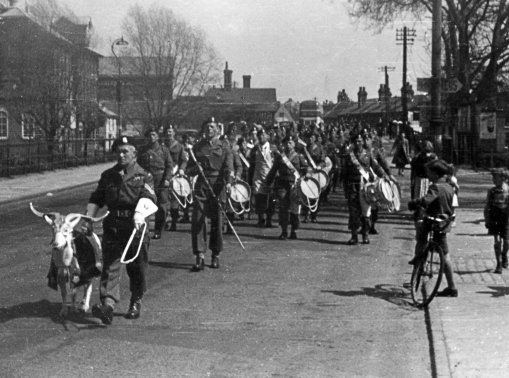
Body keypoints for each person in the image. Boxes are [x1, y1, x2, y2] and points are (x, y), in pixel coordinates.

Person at [85, 136, 157, 324]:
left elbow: (149, 197)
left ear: (135, 154)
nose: (121, 154)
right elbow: (97, 198)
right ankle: (107, 305)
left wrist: (140, 213)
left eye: (126, 151)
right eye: (119, 151)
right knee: (110, 266)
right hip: (113, 225)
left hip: (135, 227)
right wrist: (89, 218)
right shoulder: (108, 175)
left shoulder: (144, 175)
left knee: (137, 267)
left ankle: (135, 300)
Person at [187, 117, 234, 271]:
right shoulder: (197, 147)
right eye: (207, 127)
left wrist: (227, 182)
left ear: (218, 130)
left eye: (212, 127)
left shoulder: (225, 147)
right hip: (202, 186)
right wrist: (197, 168)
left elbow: (228, 168)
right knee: (198, 220)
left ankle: (215, 255)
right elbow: (189, 169)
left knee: (217, 222)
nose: (209, 130)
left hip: (218, 185)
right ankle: (200, 256)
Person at [408, 159, 457, 297]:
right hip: (444, 223)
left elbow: (426, 201)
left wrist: (414, 203)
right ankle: (452, 287)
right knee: (446, 256)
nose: (427, 175)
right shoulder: (449, 186)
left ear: (435, 174)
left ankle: (418, 257)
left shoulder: (435, 187)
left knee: (421, 235)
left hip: (433, 222)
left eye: (429, 173)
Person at [341, 132, 388, 245]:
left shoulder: (368, 154)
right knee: (353, 212)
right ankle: (354, 236)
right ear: (353, 142)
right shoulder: (349, 155)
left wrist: (384, 175)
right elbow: (344, 174)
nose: (358, 143)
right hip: (352, 185)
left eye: (360, 141)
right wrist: (345, 190)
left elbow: (375, 166)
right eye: (356, 141)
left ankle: (365, 235)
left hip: (365, 185)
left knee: (366, 211)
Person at [265, 135, 311, 240]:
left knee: (295, 209)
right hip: (282, 185)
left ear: (294, 144)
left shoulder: (299, 156)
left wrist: (308, 174)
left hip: (295, 185)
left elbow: (306, 168)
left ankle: (294, 230)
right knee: (283, 207)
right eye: (286, 143)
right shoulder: (280, 157)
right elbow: (273, 171)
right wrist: (267, 182)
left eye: (290, 143)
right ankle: (284, 231)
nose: (288, 145)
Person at [137, 128, 174, 239]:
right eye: (149, 135)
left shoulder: (164, 150)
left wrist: (167, 179)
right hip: (147, 180)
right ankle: (145, 230)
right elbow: (138, 166)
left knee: (162, 207)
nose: (151, 137)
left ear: (157, 136)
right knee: (145, 204)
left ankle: (158, 229)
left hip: (161, 180)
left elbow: (169, 165)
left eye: (154, 134)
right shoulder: (142, 150)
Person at [361, 129, 397, 234]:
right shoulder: (357, 152)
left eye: (368, 138)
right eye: (364, 138)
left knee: (374, 204)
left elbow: (383, 163)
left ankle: (372, 225)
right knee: (362, 205)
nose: (365, 140)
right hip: (362, 181)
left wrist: (389, 174)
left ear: (371, 139)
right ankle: (364, 227)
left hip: (374, 181)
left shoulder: (375, 151)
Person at [248, 128, 277, 228]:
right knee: (259, 198)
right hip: (258, 177)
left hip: (270, 176)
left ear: (268, 136)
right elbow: (251, 165)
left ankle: (269, 220)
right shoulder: (255, 149)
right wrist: (250, 178)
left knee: (270, 199)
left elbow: (278, 162)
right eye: (260, 135)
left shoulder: (273, 148)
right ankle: (261, 219)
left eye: (264, 135)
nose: (261, 137)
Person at [164, 125, 189, 231]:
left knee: (175, 200)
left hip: (175, 175)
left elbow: (184, 159)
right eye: (167, 131)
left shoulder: (179, 146)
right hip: (164, 175)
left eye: (171, 131)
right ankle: (163, 222)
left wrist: (182, 169)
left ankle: (174, 222)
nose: (169, 134)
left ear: (174, 133)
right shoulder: (161, 146)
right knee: (163, 200)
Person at [484, 169, 509, 274]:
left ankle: (504, 255)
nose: (493, 179)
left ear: (503, 178)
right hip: (495, 217)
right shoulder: (491, 191)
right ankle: (498, 263)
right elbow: (487, 206)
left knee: (507, 241)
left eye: (495, 177)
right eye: (493, 177)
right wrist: (486, 219)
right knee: (497, 240)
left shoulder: (508, 190)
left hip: (506, 217)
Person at [301, 131, 326, 223]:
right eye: (308, 137)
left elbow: (323, 161)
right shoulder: (303, 148)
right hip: (306, 173)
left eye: (312, 137)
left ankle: (314, 215)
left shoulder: (320, 148)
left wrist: (320, 166)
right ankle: (306, 214)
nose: (310, 139)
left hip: (316, 173)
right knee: (305, 193)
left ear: (314, 138)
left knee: (316, 194)